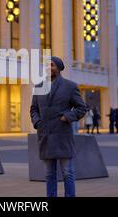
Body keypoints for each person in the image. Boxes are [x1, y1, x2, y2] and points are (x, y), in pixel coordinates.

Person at [30, 56, 87, 197]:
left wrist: (67, 117)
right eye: (47, 65)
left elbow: (81, 108)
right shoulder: (38, 86)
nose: (49, 68)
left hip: (62, 136)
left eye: (52, 65)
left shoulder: (70, 86)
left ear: (59, 68)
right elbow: (33, 109)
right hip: (45, 136)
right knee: (49, 174)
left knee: (68, 172)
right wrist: (37, 122)